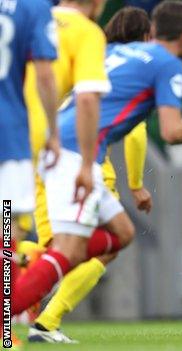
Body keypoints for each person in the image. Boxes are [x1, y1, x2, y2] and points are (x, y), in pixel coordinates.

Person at [11, 0, 182, 322]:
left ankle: (42, 258)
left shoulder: (114, 52)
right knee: (68, 251)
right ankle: (13, 308)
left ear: (153, 31)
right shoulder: (167, 64)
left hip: (59, 143)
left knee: (122, 233)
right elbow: (171, 131)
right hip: (76, 154)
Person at [25, 6, 152, 344]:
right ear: (145, 38)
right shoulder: (123, 66)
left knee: (48, 246)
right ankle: (46, 319)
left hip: (36, 155)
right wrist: (137, 185)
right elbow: (136, 133)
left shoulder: (68, 52)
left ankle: (22, 267)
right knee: (83, 248)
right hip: (83, 167)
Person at [0, 0, 59, 347]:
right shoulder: (32, 7)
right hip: (8, 138)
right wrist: (53, 131)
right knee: (8, 228)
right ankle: (3, 330)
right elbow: (45, 74)